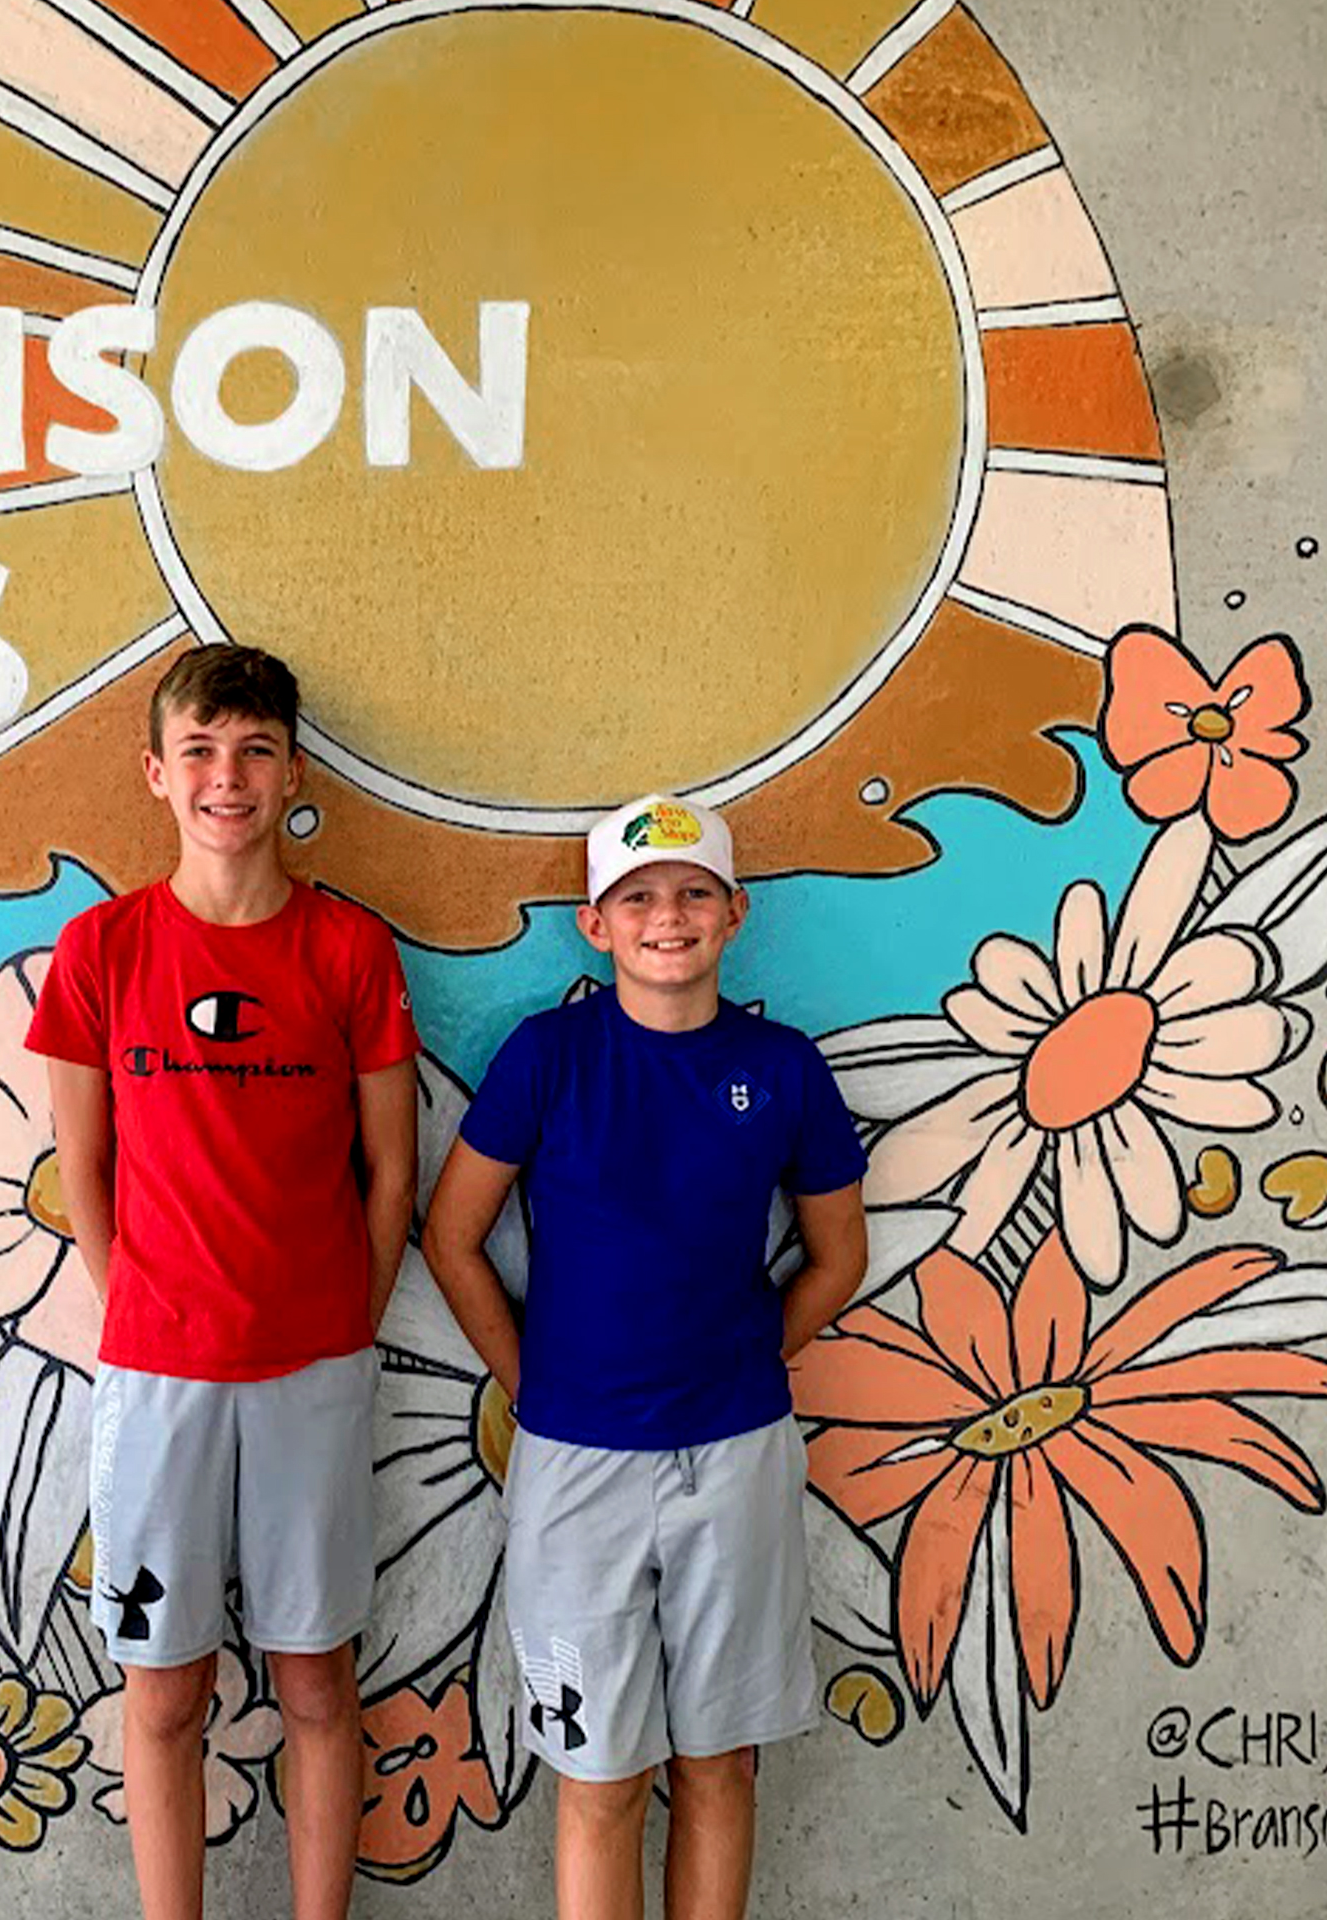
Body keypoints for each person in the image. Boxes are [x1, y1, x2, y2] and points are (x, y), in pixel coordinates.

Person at [420, 794, 868, 1920]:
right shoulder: (549, 1058)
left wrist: (748, 1358)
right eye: (638, 898)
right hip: (575, 1472)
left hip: (737, 1461)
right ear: (596, 926)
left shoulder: (782, 1067)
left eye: (692, 892)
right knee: (599, 1774)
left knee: (720, 1765)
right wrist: (532, 1385)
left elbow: (836, 1255)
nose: (667, 915)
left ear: (734, 913)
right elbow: (451, 1236)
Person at [27, 644, 419, 1920]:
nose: (226, 777)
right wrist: (140, 1302)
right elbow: (81, 1163)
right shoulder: (101, 948)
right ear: (157, 774)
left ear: (295, 771)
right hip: (157, 1374)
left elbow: (392, 1175)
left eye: (253, 750)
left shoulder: (350, 950)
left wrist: (343, 1334)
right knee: (165, 1691)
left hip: (312, 1371)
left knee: (316, 1683)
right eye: (199, 750)